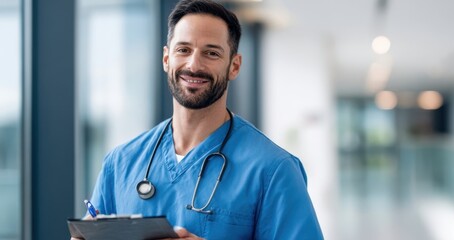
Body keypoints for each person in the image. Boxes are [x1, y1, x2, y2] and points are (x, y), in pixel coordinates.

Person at [76, 0, 324, 239]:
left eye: (211, 53)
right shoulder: (120, 164)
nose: (194, 65)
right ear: (166, 59)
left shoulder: (274, 169)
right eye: (183, 50)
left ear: (234, 66)